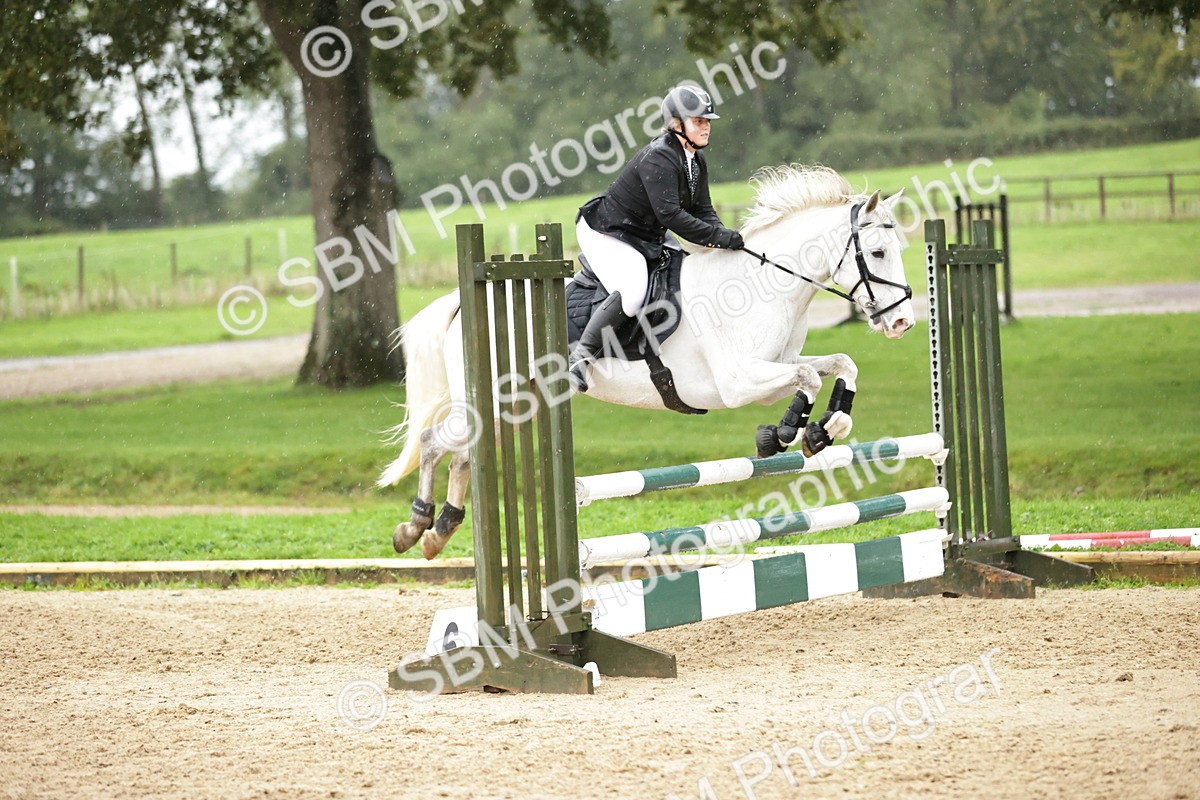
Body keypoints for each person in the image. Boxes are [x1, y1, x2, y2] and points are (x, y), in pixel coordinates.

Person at [569, 84, 745, 392]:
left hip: (645, 235)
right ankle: (580, 357)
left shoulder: (695, 159)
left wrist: (723, 241)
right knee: (633, 291)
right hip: (608, 232)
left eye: (707, 121)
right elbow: (672, 216)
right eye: (699, 121)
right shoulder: (659, 157)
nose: (706, 127)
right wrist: (719, 237)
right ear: (677, 124)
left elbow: (703, 209)